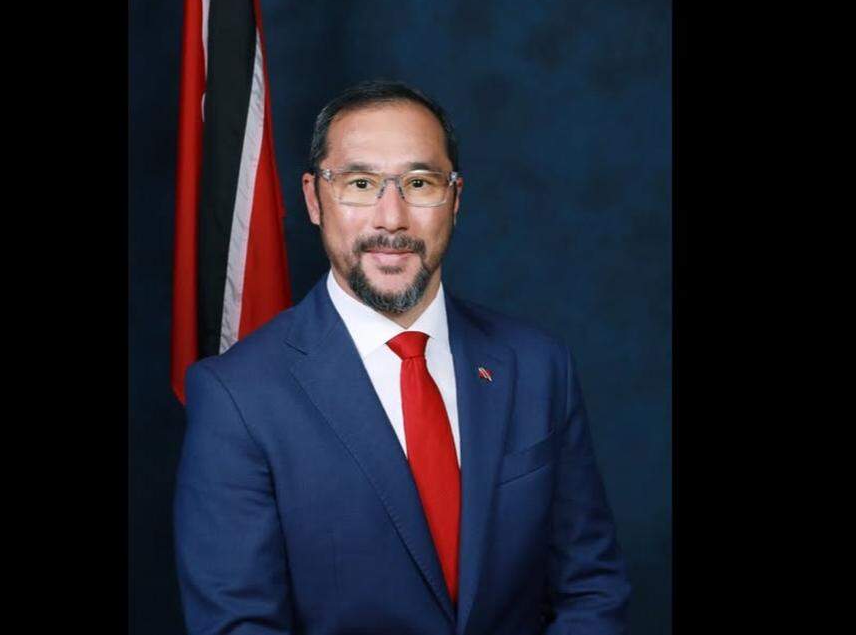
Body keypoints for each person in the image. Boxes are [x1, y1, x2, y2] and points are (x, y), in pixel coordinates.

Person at [174, 80, 630, 635]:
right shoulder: (237, 396)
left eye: (419, 183)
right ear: (314, 200)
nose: (391, 218)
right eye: (360, 184)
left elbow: (591, 588)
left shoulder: (538, 366)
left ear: (455, 199)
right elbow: (240, 624)